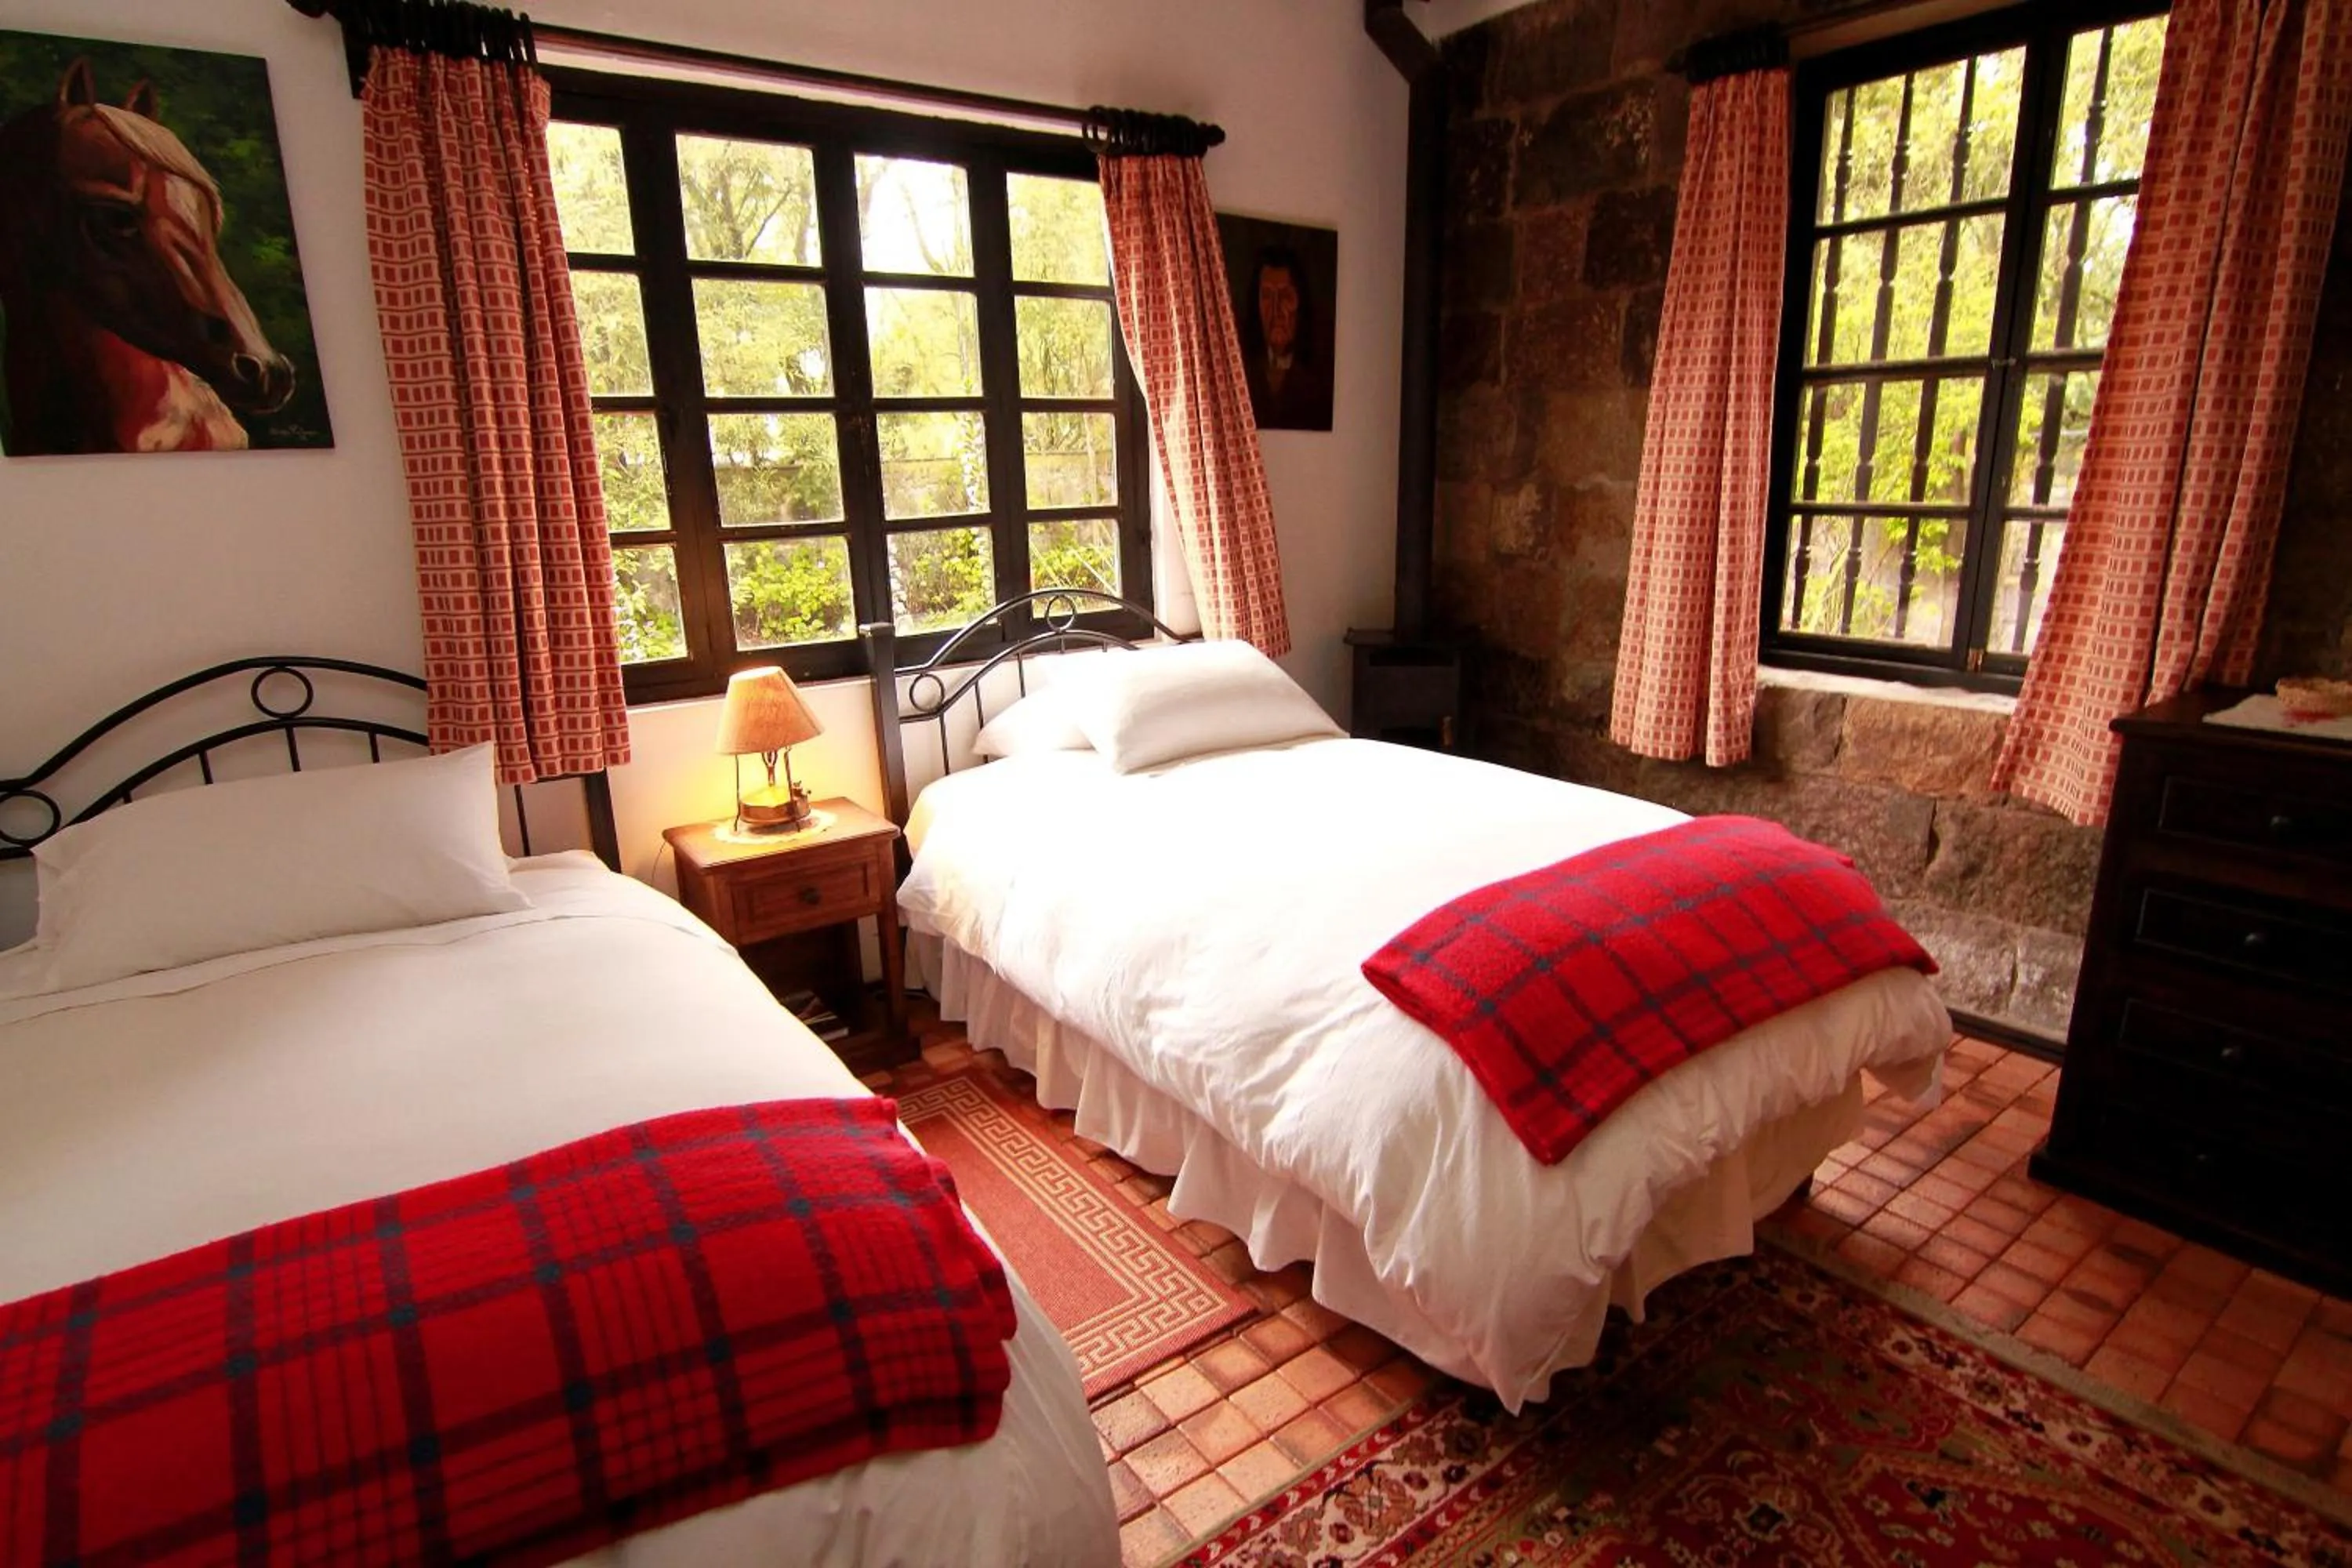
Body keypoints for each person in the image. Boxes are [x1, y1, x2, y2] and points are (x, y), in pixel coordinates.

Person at [1238, 243, 1332, 431]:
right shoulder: (1242, 370)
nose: (1276, 310)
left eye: (1286, 296)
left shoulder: (1322, 375)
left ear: (1300, 302)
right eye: (1267, 296)